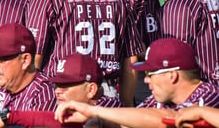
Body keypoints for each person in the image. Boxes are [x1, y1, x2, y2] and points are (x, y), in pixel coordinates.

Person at [54, 38, 219, 128]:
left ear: (172, 75)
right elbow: (131, 122)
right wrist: (99, 121)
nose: (146, 80)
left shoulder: (209, 95)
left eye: (150, 73)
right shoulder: (160, 100)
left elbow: (171, 119)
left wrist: (95, 111)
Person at [0, 53, 124, 128]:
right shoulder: (69, 112)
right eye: (57, 85)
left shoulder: (109, 106)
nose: (58, 91)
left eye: (66, 85)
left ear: (91, 89)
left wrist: (12, 117)